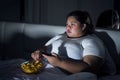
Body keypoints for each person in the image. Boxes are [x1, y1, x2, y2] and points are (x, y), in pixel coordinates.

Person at [31, 10, 116, 79]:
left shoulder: (91, 41)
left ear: (83, 26)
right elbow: (43, 48)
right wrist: (38, 52)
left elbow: (90, 69)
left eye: (72, 24)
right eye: (67, 24)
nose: (68, 27)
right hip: (40, 70)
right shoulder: (60, 36)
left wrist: (60, 63)